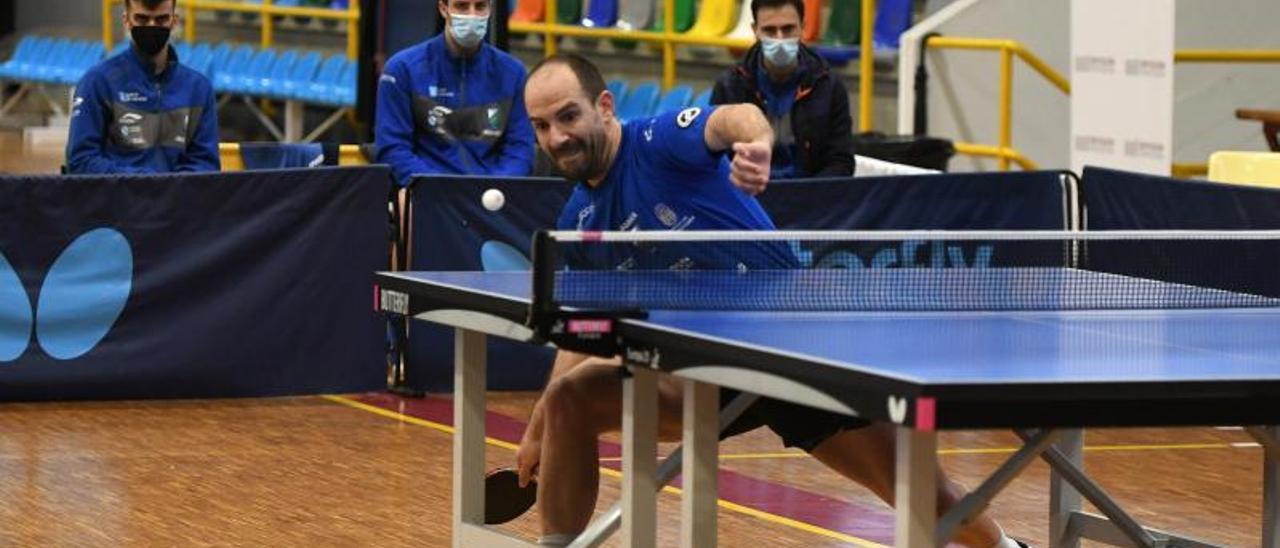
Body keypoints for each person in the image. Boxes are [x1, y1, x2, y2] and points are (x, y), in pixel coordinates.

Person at [517, 53, 1024, 548]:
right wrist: (538, 427)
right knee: (569, 399)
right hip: (702, 373)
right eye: (541, 126)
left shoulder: (660, 141)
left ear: (604, 106)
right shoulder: (576, 222)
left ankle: (1003, 547)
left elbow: (734, 119)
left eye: (568, 116)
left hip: (792, 350)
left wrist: (757, 143)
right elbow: (578, 333)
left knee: (924, 496)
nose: (557, 137)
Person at [374, 0, 535, 186]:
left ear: (490, 9)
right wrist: (441, 190)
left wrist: (493, 189)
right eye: (461, 6)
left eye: (480, 6)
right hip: (429, 198)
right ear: (443, 8)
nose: (472, 15)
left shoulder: (513, 73)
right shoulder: (402, 70)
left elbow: (520, 151)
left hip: (493, 200)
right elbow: (393, 149)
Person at [66, 0, 220, 174]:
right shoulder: (97, 82)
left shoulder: (199, 89)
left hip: (177, 199)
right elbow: (81, 161)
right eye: (142, 19)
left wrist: (170, 190)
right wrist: (143, 182)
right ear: (126, 20)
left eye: (161, 19)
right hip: (118, 200)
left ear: (174, 21)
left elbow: (205, 163)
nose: (151, 26)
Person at [711, 0, 855, 179]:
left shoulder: (829, 85)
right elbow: (716, 159)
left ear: (802, 27)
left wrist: (813, 197)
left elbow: (841, 161)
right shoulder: (729, 85)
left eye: (788, 29)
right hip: (748, 196)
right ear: (755, 30)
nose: (779, 39)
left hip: (812, 197)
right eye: (769, 30)